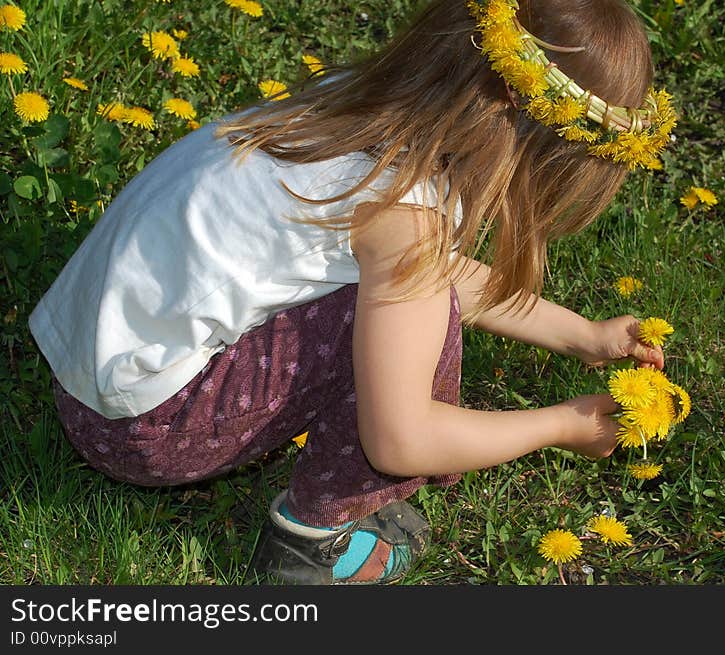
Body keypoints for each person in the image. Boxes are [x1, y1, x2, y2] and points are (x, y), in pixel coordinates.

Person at [28, 0, 675, 585]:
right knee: (418, 323)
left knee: (414, 300)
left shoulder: (360, 106)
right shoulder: (404, 223)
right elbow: (401, 437)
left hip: (92, 362)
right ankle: (311, 543)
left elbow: (436, 272)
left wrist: (584, 335)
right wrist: (562, 424)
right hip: (141, 425)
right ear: (527, 137)